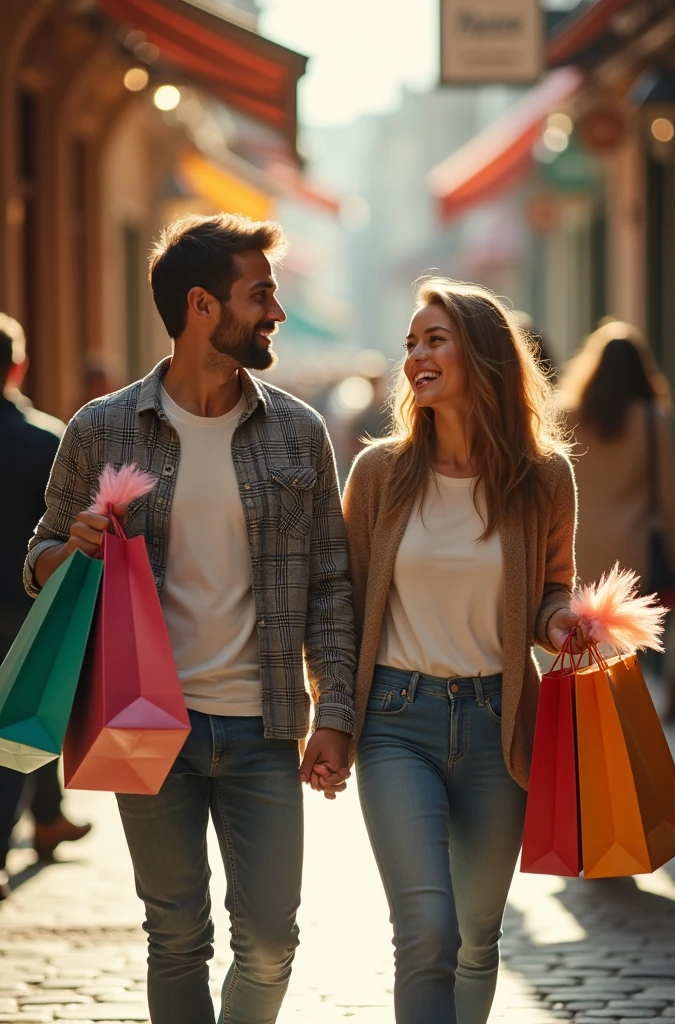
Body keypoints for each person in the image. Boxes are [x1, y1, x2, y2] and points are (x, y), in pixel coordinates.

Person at [23, 213, 356, 1024]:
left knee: (271, 939)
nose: (274, 312)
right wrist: (72, 546)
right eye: (260, 295)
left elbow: (332, 584)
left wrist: (336, 713)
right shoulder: (101, 428)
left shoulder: (298, 432)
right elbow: (37, 564)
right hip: (148, 726)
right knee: (176, 935)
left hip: (266, 724)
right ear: (202, 306)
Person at [341, 278, 586, 1024]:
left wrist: (561, 623)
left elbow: (550, 589)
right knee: (427, 933)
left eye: (434, 339)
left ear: (481, 355)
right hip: (394, 721)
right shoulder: (379, 474)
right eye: (412, 340)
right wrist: (329, 715)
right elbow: (343, 606)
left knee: (479, 937)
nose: (415, 353)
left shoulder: (544, 478)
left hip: (498, 726)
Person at [0, 314, 91, 900]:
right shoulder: (46, 438)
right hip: (25, 605)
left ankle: (48, 817)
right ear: (19, 365)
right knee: (23, 722)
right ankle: (38, 823)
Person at [558, 320, 675, 715]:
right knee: (622, 656)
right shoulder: (652, 419)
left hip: (575, 549)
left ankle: (580, 724)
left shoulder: (566, 415)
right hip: (630, 559)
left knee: (576, 646)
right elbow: (670, 499)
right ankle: (614, 733)